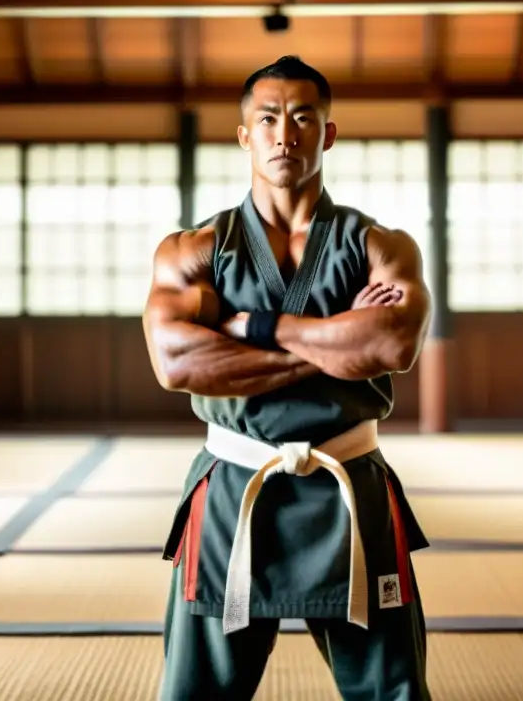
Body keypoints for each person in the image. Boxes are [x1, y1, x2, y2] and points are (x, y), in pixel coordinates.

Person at [143, 55, 433, 700]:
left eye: (304, 117)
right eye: (268, 118)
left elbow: (393, 342)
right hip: (234, 487)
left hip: (349, 485)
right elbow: (177, 364)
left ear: (328, 133)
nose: (285, 133)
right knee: (194, 691)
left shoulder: (381, 245)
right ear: (245, 133)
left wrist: (250, 326)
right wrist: (336, 347)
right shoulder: (194, 249)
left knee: (394, 690)